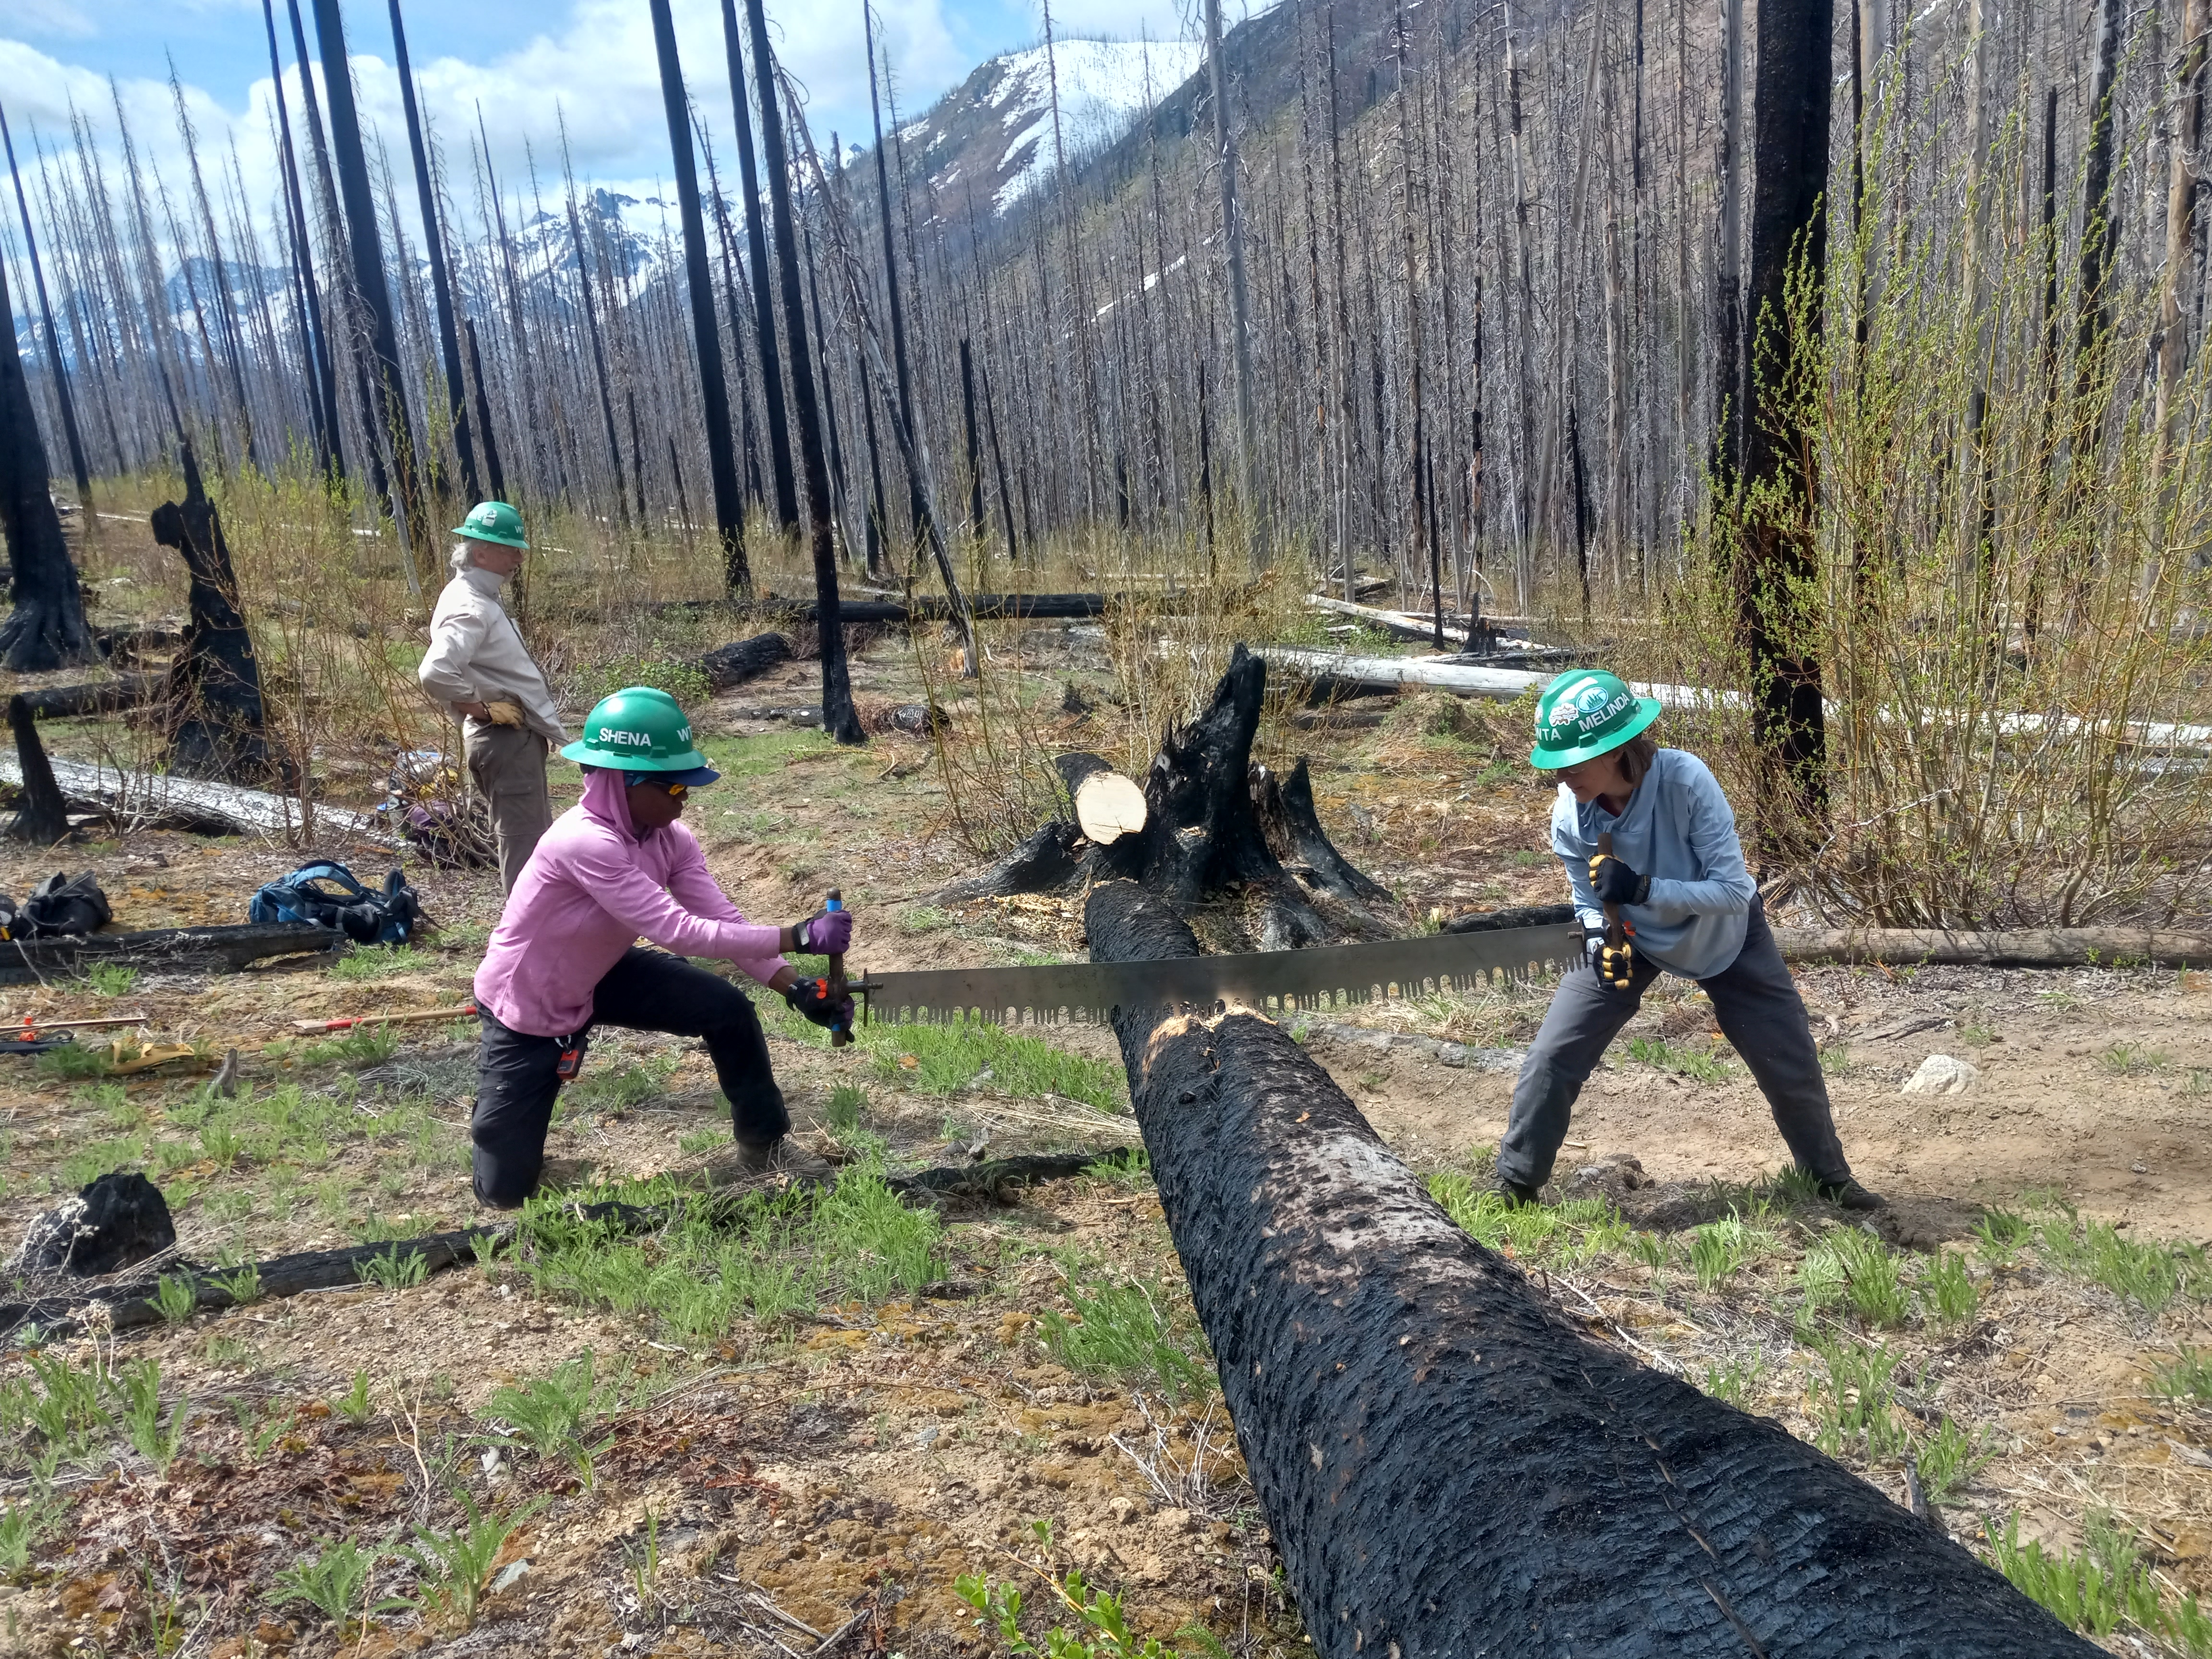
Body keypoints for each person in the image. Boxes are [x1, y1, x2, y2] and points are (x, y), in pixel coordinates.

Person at [1490, 670, 1883, 1212]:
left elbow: (1733, 890)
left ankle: (1829, 1178)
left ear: (1615, 749)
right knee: (1554, 1053)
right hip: (1633, 935)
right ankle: (1516, 1182)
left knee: (1786, 1056)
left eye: (1572, 760)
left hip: (1727, 934)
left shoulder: (1685, 782)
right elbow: (1585, 896)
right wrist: (1601, 936)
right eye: (1553, 762)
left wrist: (1644, 887)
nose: (1559, 773)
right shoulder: (1569, 813)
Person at [468, 685, 855, 1208]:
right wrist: (801, 936)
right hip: (529, 999)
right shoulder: (584, 841)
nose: (685, 797)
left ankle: (767, 1147)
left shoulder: (671, 839)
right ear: (623, 782)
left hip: (601, 970)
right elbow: (679, 932)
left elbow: (722, 920)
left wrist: (796, 987)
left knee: (727, 1010)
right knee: (505, 1192)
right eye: (673, 788)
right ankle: (508, 1157)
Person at [418, 501, 568, 892]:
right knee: (525, 844)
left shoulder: (475, 596)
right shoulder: (470, 605)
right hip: (503, 738)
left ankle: (538, 933)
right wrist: (478, 707)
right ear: (480, 551)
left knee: (529, 838)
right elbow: (435, 671)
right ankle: (531, 941)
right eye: (510, 548)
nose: (519, 557)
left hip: (512, 736)